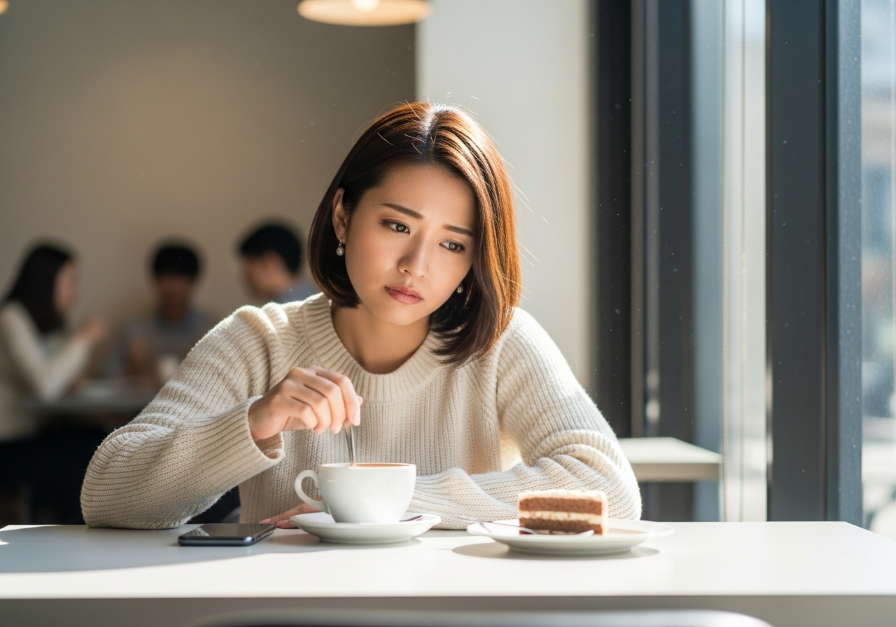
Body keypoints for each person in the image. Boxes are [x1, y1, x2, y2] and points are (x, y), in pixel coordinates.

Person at [81, 103, 641, 530]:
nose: (415, 267)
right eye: (397, 226)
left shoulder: (501, 341)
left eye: (452, 245)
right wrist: (255, 420)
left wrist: (392, 503)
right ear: (344, 217)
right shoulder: (257, 341)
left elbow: (609, 490)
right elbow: (106, 494)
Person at [0, 243, 107, 522]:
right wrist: (84, 337)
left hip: (33, 434)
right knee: (81, 459)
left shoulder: (45, 323)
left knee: (101, 438)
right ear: (47, 281)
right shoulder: (11, 318)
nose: (76, 291)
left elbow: (57, 376)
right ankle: (74, 532)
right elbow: (46, 385)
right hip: (9, 443)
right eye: (71, 280)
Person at [107, 242, 216, 388]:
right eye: (166, 278)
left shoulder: (212, 331)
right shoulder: (134, 330)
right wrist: (132, 370)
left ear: (193, 282)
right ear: (155, 281)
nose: (172, 288)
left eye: (180, 278)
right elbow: (105, 384)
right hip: (140, 410)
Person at [237, 223, 318, 304]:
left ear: (270, 263)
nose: (245, 275)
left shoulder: (292, 310)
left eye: (250, 265)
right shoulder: (308, 298)